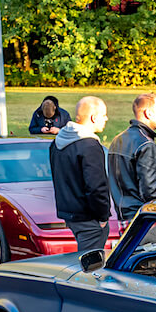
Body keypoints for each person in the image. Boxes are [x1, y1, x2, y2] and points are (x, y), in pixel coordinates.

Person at [50, 96, 110, 253]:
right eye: (104, 115)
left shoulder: (57, 142)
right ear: (93, 117)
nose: (106, 119)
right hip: (88, 217)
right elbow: (96, 186)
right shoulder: (89, 145)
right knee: (90, 265)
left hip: (70, 213)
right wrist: (103, 217)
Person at [109, 93, 156, 223]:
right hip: (146, 221)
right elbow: (151, 191)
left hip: (125, 219)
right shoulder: (146, 144)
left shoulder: (117, 140)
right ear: (148, 113)